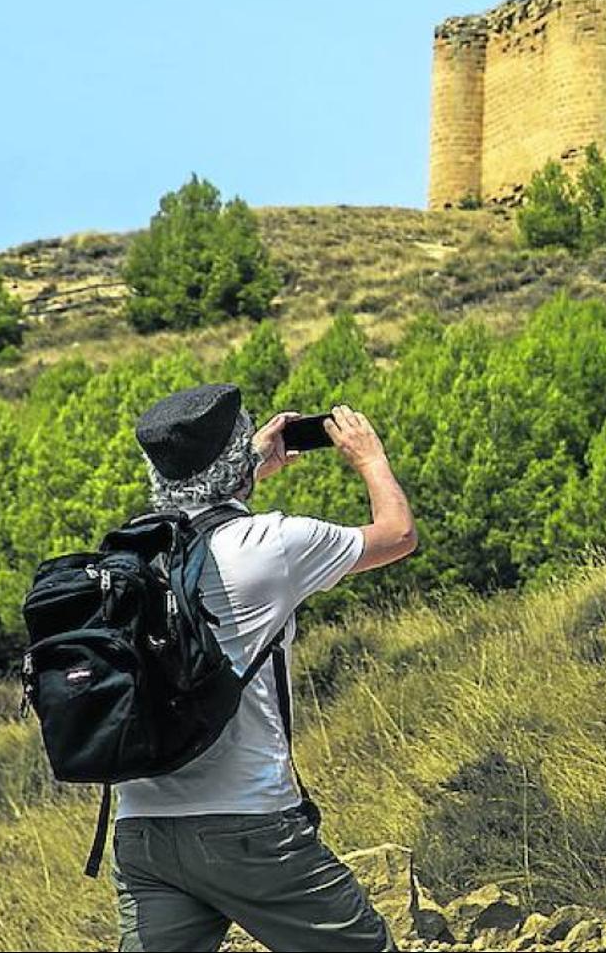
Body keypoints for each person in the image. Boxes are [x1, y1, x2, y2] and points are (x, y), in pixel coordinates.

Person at [112, 383, 418, 952]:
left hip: (143, 830)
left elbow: (202, 519)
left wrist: (243, 470)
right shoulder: (271, 543)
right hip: (249, 824)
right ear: (236, 463)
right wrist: (370, 459)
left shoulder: (132, 555)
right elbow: (397, 535)